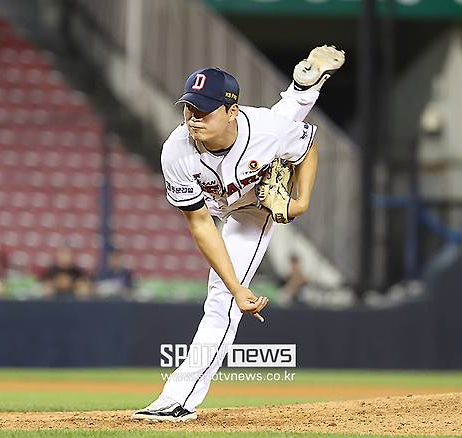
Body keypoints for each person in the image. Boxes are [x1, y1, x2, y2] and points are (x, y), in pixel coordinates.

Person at [132, 45, 344, 421]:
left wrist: (300, 203)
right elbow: (200, 224)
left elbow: (307, 147)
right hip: (217, 205)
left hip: (252, 208)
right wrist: (238, 285)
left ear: (231, 110)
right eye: (188, 107)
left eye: (204, 109)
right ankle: (302, 87)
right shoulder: (176, 151)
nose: (193, 118)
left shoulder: (264, 130)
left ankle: (179, 399)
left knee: (220, 302)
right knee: (228, 291)